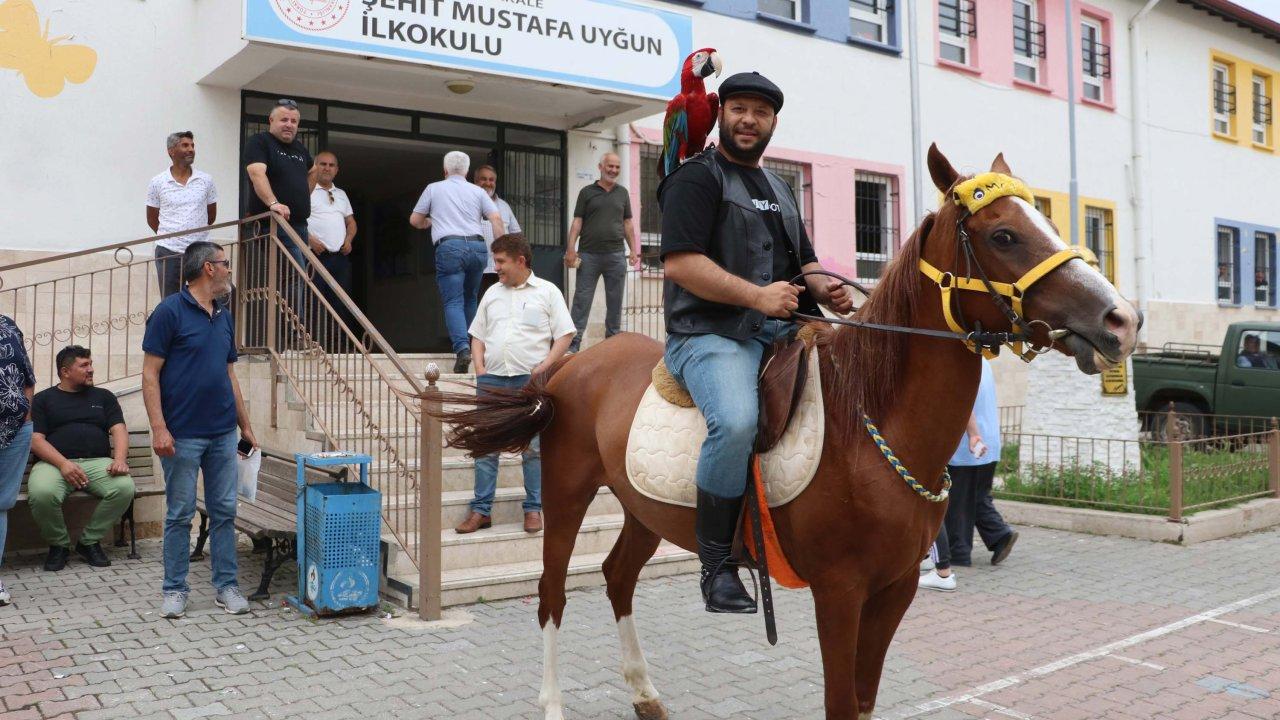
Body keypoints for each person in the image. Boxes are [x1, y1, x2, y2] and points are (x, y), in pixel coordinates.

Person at [658, 71, 854, 613]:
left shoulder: (781, 189)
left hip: (784, 329)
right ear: (721, 114)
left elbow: (805, 262)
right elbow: (680, 263)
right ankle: (717, 566)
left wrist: (825, 289)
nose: (749, 119)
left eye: (760, 112)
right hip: (710, 334)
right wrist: (757, 298)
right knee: (738, 421)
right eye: (739, 108)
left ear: (773, 122)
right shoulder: (696, 177)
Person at [142, 241, 258, 618]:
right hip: (182, 434)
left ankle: (227, 586)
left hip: (223, 432)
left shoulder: (223, 314)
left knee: (225, 510)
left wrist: (246, 426)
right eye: (225, 264)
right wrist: (159, 428)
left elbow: (229, 374)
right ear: (208, 268)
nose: (229, 270)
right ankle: (175, 589)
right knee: (179, 513)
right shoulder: (169, 312)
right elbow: (149, 373)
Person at [455, 234, 574, 535]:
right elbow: (477, 335)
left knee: (533, 448)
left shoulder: (547, 292)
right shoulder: (492, 293)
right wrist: (480, 367)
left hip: (529, 382)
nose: (496, 268)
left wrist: (546, 365)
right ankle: (481, 511)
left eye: (501, 262)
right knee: (486, 447)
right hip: (492, 381)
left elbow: (565, 334)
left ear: (520, 260)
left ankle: (534, 510)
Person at [28, 346, 135, 571]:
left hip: (97, 462)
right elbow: (36, 440)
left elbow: (119, 429)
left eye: (90, 364)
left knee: (124, 488)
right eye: (84, 365)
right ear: (65, 372)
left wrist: (120, 459)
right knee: (42, 493)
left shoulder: (104, 397)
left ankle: (88, 542)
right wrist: (63, 464)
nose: (91, 370)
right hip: (54, 463)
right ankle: (59, 545)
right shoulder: (43, 400)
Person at [409, 151, 505, 373]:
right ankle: (474, 347)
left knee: (453, 301)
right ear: (467, 172)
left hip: (450, 247)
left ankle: (462, 349)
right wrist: (500, 251)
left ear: (445, 171)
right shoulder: (478, 191)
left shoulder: (434, 188)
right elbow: (496, 219)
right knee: (471, 299)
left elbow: (415, 220)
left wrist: (430, 222)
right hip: (478, 247)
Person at [939, 359, 1018, 571]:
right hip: (988, 441)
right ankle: (1000, 536)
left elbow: (959, 401)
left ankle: (959, 552)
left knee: (958, 502)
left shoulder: (959, 364)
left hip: (968, 445)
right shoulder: (983, 363)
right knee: (978, 496)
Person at [565, 153, 640, 353]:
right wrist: (570, 249)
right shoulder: (586, 192)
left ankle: (612, 347)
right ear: (600, 166)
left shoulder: (623, 193)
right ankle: (572, 347)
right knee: (581, 301)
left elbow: (628, 223)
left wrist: (633, 249)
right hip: (588, 256)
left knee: (615, 303)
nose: (613, 170)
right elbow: (577, 222)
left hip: (616, 256)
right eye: (610, 166)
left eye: (617, 167)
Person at [244, 98, 317, 268]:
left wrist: (303, 194)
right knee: (295, 273)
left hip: (300, 225)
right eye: (284, 120)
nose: (289, 125)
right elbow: (256, 173)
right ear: (271, 120)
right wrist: (273, 203)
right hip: (274, 224)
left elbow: (313, 170)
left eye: (293, 121)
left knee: (298, 275)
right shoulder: (260, 142)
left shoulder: (299, 148)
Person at [147, 131, 217, 298]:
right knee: (172, 301)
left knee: (204, 298)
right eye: (185, 145)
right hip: (169, 251)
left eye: (192, 145)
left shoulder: (206, 180)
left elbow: (211, 215)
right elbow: (152, 218)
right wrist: (172, 236)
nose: (191, 149)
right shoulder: (158, 182)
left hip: (200, 251)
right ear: (171, 151)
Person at [0, 316, 35, 606]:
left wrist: (26, 415)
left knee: (0, 504)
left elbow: (27, 377)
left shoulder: (8, 326)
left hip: (15, 430)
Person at [307, 151, 357, 343]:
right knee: (312, 301)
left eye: (331, 165)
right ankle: (308, 343)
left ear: (336, 170)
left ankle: (339, 345)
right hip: (314, 256)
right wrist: (310, 240)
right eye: (322, 164)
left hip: (339, 258)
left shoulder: (341, 194)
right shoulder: (307, 190)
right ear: (315, 167)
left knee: (341, 301)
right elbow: (297, 221)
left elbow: (351, 222)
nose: (327, 168)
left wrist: (349, 240)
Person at [473, 165, 523, 300]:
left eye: (491, 180)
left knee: (502, 306)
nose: (488, 183)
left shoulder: (504, 206)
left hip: (502, 269)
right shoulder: (468, 203)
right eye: (483, 179)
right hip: (477, 269)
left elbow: (516, 235)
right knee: (479, 308)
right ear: (475, 181)